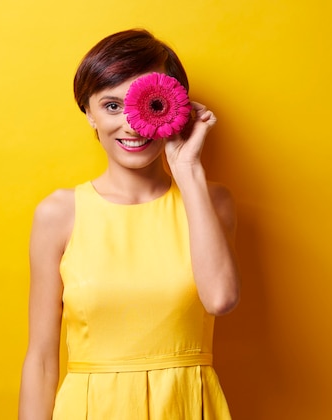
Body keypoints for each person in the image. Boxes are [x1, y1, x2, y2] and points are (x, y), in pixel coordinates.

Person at [18, 28, 241, 419]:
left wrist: (187, 168)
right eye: (112, 106)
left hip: (184, 408)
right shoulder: (58, 214)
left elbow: (220, 299)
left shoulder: (210, 201)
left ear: (176, 107)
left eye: (150, 104)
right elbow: (40, 358)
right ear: (88, 112)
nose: (134, 124)